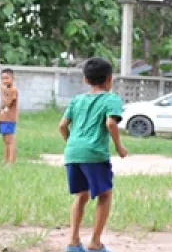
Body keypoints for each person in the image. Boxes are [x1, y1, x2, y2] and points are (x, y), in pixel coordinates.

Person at [59, 58, 128, 252]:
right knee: (105, 194)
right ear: (109, 78)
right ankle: (95, 243)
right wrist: (119, 148)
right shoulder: (111, 99)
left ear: (86, 80)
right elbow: (111, 123)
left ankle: (73, 242)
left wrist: (72, 144)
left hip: (72, 152)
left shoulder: (77, 100)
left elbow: (62, 126)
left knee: (81, 195)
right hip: (95, 154)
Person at [0, 68, 19, 164]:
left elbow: (8, 103)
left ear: (13, 79)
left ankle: (11, 161)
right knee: (5, 140)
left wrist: (2, 92)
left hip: (10, 119)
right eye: (2, 79)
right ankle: (5, 159)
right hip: (3, 118)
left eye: (7, 78)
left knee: (10, 140)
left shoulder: (13, 90)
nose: (4, 81)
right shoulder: (5, 90)